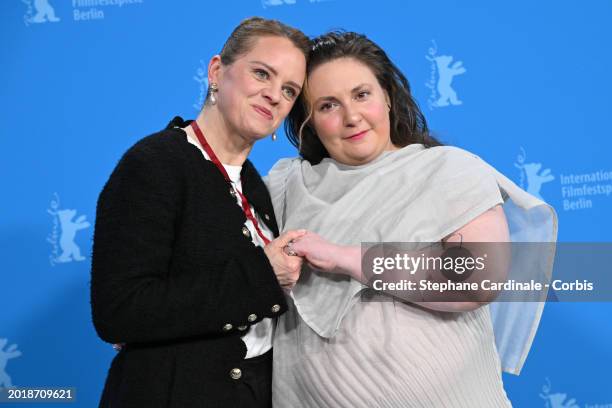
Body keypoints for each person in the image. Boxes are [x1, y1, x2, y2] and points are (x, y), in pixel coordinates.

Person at [266, 31, 557, 407]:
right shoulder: (287, 185)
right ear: (307, 120)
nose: (351, 116)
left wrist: (345, 257)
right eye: (328, 105)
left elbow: (479, 277)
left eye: (361, 94)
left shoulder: (448, 169)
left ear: (387, 95)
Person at [90, 17, 310, 408]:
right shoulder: (155, 164)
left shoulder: (256, 184)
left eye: (289, 90)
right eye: (262, 73)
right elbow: (119, 311)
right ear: (216, 71)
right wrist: (261, 275)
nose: (275, 95)